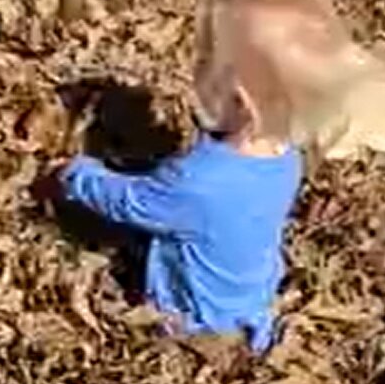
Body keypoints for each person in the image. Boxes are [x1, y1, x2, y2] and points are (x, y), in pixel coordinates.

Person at [52, 85, 302, 354]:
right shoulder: (287, 158)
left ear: (245, 104)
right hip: (249, 303)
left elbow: (125, 201)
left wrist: (72, 171)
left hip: (196, 323)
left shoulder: (198, 181)